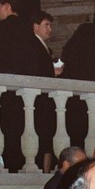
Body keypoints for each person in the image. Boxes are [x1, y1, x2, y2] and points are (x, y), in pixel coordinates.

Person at [0, 0, 34, 172]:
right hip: (25, 86)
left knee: (9, 131)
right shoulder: (26, 27)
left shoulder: (5, 27)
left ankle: (12, 167)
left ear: (7, 6)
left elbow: (1, 58)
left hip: (9, 87)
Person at [30, 10, 61, 174]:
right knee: (44, 136)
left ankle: (46, 169)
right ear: (36, 26)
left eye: (50, 25)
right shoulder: (34, 46)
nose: (50, 29)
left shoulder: (42, 46)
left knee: (47, 138)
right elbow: (36, 70)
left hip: (44, 100)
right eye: (46, 25)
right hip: (40, 100)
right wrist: (52, 71)